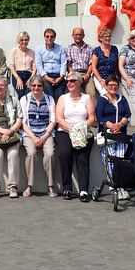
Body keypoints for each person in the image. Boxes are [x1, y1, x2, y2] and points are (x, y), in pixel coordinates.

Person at [54, 71, 96, 201]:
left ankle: (83, 190)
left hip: (83, 131)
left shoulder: (87, 98)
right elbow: (58, 118)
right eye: (67, 81)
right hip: (65, 131)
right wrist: (72, 129)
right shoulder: (63, 98)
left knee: (82, 157)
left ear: (79, 82)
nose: (69, 83)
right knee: (64, 154)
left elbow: (92, 118)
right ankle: (67, 188)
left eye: (72, 81)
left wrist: (80, 128)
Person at [19, 74, 56, 197]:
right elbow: (23, 122)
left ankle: (50, 186)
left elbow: (53, 120)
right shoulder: (24, 99)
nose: (36, 88)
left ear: (43, 87)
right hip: (30, 134)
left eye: (39, 85)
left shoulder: (50, 99)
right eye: (33, 85)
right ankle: (29, 186)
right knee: (31, 153)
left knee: (50, 154)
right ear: (30, 86)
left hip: (46, 133)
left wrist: (46, 135)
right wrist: (34, 137)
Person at [95, 75, 132, 199]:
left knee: (120, 160)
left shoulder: (122, 99)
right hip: (107, 135)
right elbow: (99, 116)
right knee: (109, 161)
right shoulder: (102, 100)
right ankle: (114, 186)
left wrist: (120, 124)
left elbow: (128, 114)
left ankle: (121, 186)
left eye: (115, 85)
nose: (113, 87)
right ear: (106, 86)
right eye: (110, 85)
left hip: (121, 134)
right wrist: (110, 125)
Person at [35, 28, 66, 100]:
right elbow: (38, 64)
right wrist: (47, 77)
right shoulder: (39, 49)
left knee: (60, 96)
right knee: (49, 96)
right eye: (47, 36)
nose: (49, 38)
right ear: (44, 37)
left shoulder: (61, 48)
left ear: (55, 38)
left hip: (59, 76)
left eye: (51, 36)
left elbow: (63, 63)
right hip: (46, 76)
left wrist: (61, 77)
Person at [64, 27, 96, 97]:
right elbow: (68, 65)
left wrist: (87, 75)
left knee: (92, 94)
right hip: (73, 73)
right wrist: (73, 75)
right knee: (72, 94)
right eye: (76, 34)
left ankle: (92, 108)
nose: (78, 36)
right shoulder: (68, 48)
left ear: (83, 36)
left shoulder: (89, 48)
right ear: (72, 35)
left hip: (86, 74)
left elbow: (91, 64)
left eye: (80, 35)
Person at [91, 28, 120, 96]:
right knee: (105, 94)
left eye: (109, 36)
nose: (108, 38)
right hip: (100, 77)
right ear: (100, 38)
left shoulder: (114, 49)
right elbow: (93, 67)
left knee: (115, 94)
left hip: (112, 77)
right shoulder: (97, 50)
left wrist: (119, 78)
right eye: (105, 36)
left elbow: (117, 65)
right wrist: (100, 80)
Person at [9, 31, 36, 98]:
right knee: (21, 95)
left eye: (26, 40)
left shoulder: (32, 52)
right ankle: (20, 108)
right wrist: (18, 79)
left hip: (29, 75)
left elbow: (35, 67)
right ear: (19, 41)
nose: (24, 42)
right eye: (22, 40)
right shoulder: (14, 51)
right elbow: (11, 66)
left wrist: (31, 79)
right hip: (17, 75)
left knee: (28, 95)